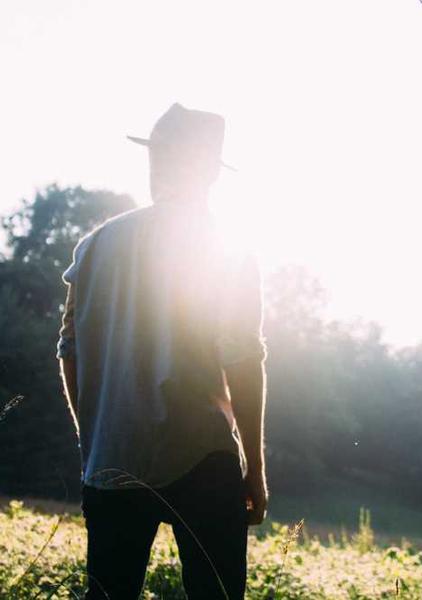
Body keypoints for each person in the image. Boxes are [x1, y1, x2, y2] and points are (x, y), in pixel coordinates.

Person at [56, 103, 268, 599]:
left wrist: (94, 441)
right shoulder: (227, 246)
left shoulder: (95, 245)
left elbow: (69, 353)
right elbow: (243, 359)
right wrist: (254, 470)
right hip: (203, 458)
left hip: (113, 459)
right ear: (212, 171)